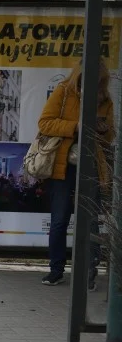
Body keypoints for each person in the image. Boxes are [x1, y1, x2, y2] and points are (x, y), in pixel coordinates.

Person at [38, 59, 114, 287]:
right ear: (79, 76)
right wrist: (76, 126)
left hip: (91, 165)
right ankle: (56, 269)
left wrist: (101, 130)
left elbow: (110, 138)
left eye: (98, 82)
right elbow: (45, 123)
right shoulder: (64, 91)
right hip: (63, 165)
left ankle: (89, 272)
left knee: (91, 220)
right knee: (60, 219)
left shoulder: (105, 100)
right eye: (87, 80)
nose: (92, 85)